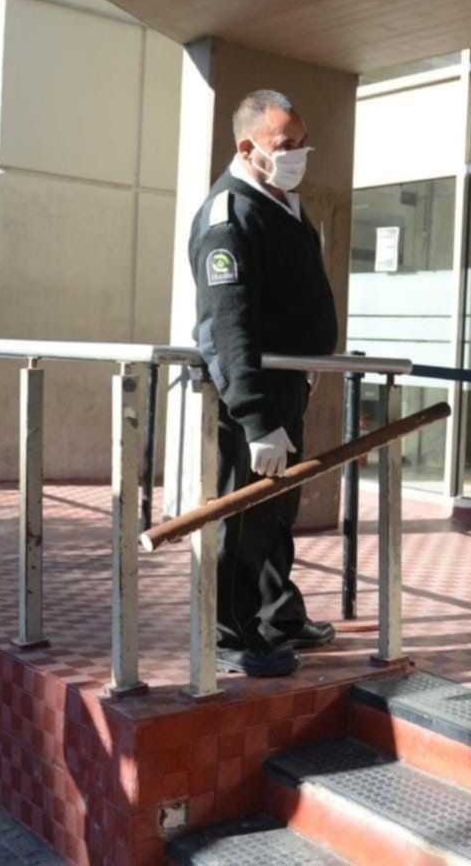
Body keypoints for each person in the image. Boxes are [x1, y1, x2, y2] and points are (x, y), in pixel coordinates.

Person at [188, 89, 339, 677]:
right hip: (252, 394)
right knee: (244, 518)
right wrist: (255, 417)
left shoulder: (282, 205)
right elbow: (225, 328)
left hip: (288, 385)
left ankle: (279, 616)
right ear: (246, 147)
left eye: (302, 141)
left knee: (278, 511)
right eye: (285, 144)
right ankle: (229, 634)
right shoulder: (229, 215)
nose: (299, 153)